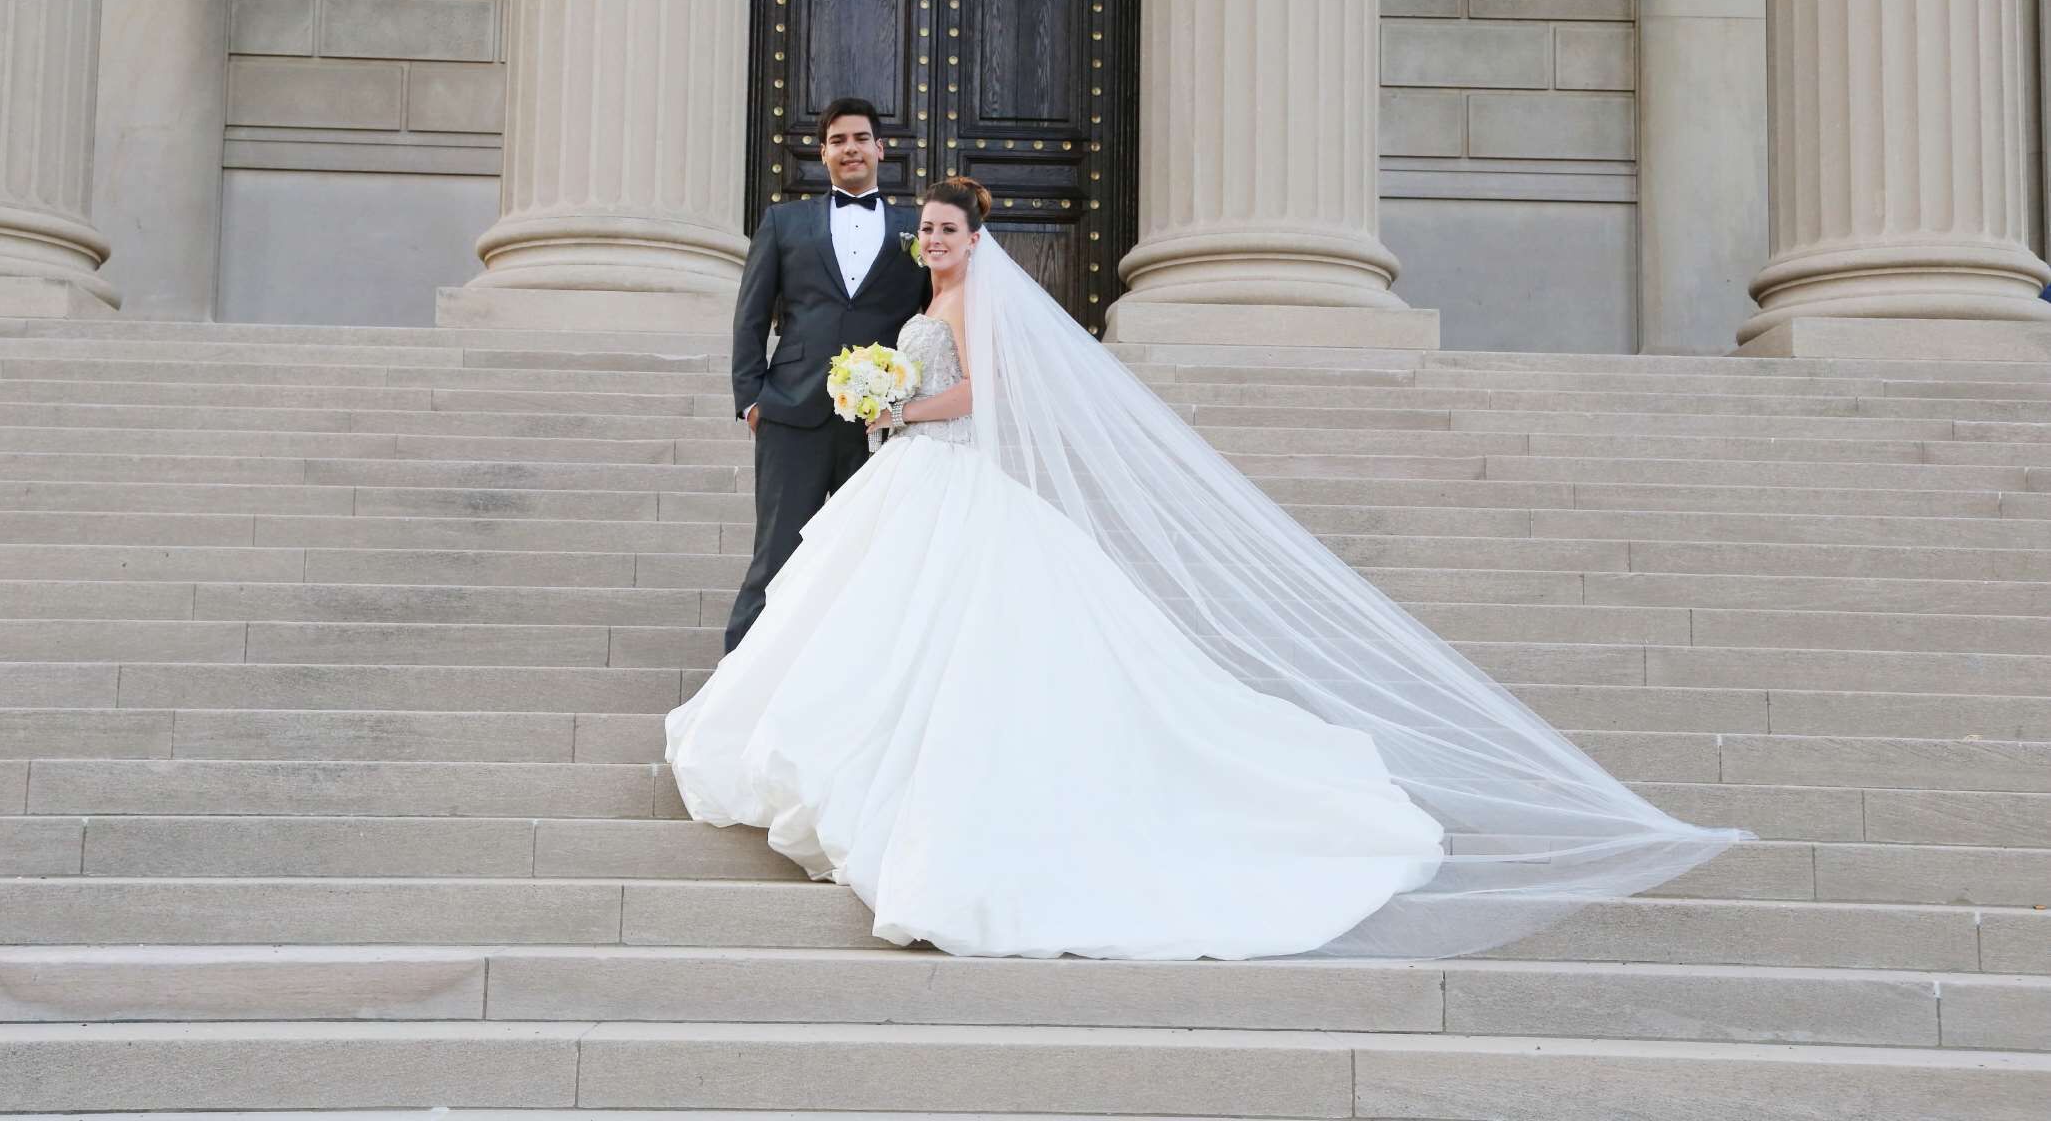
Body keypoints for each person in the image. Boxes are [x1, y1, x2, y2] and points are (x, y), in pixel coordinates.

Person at [671, 176, 1746, 962]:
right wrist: (879, 399)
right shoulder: (925, 300)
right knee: (870, 621)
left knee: (948, 635)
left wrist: (899, 406)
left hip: (943, 467)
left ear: (976, 238)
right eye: (930, 230)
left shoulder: (974, 304)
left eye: (949, 231)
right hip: (912, 479)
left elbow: (983, 394)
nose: (936, 241)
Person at [724, 97, 928, 654]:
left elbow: (932, 315)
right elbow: (750, 315)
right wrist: (751, 400)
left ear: (880, 149)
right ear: (823, 153)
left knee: (870, 557)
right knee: (776, 555)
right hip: (793, 411)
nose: (850, 149)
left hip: (881, 423)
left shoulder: (915, 229)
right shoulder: (784, 222)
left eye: (860, 139)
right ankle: (739, 680)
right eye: (838, 141)